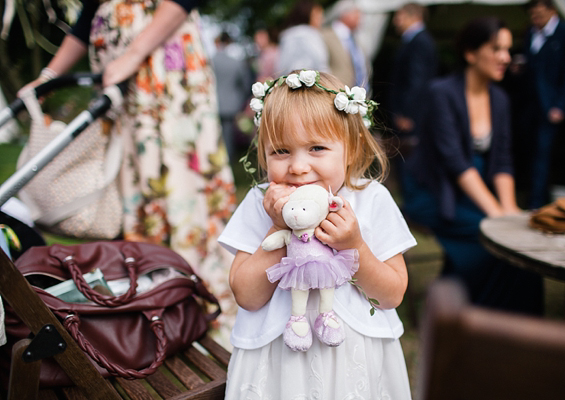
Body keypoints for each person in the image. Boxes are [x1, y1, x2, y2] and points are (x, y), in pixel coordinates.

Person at [19, 0, 237, 347]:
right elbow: (87, 17)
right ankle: (156, 300)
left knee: (178, 180)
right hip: (119, 78)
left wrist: (135, 54)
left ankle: (201, 302)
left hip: (159, 66)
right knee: (135, 188)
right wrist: (48, 77)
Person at [218, 70, 416, 399]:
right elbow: (247, 295)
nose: (297, 166)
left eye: (317, 148)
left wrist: (355, 247)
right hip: (278, 364)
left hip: (353, 362)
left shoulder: (369, 199)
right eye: (280, 151)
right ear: (263, 153)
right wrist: (280, 226)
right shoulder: (261, 202)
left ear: (350, 149)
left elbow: (392, 295)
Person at [402, 17, 544, 315]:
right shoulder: (441, 93)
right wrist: (496, 216)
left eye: (507, 49)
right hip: (434, 191)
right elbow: (455, 162)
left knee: (522, 243)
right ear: (470, 53)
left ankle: (521, 324)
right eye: (496, 49)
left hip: (473, 190)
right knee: (492, 239)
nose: (506, 57)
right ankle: (474, 316)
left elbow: (503, 159)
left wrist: (509, 210)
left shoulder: (500, 99)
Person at [515, 0, 565, 209]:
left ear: (552, 10)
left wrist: (561, 105)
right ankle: (531, 196)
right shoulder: (531, 32)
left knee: (543, 155)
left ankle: (536, 203)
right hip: (529, 105)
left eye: (540, 14)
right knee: (528, 151)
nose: (536, 18)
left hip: (550, 107)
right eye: (533, 14)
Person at [389, 2, 437, 141]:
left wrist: (406, 114)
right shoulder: (417, 40)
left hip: (411, 117)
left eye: (399, 16)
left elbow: (416, 81)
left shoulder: (419, 42)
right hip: (411, 114)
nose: (395, 22)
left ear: (414, 17)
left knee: (409, 156)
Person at [213, 31, 252, 163]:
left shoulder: (210, 62)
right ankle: (228, 161)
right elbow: (245, 84)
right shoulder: (236, 62)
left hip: (213, 103)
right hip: (231, 104)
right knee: (228, 135)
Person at [321, 0, 370, 91]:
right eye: (357, 13)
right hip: (335, 94)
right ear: (345, 14)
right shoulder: (324, 35)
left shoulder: (356, 40)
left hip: (359, 98)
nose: (361, 18)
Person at [275, 1, 329, 76]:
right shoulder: (313, 35)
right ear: (307, 15)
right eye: (318, 16)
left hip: (290, 83)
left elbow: (281, 66)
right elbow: (321, 63)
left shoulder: (287, 36)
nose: (322, 20)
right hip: (314, 83)